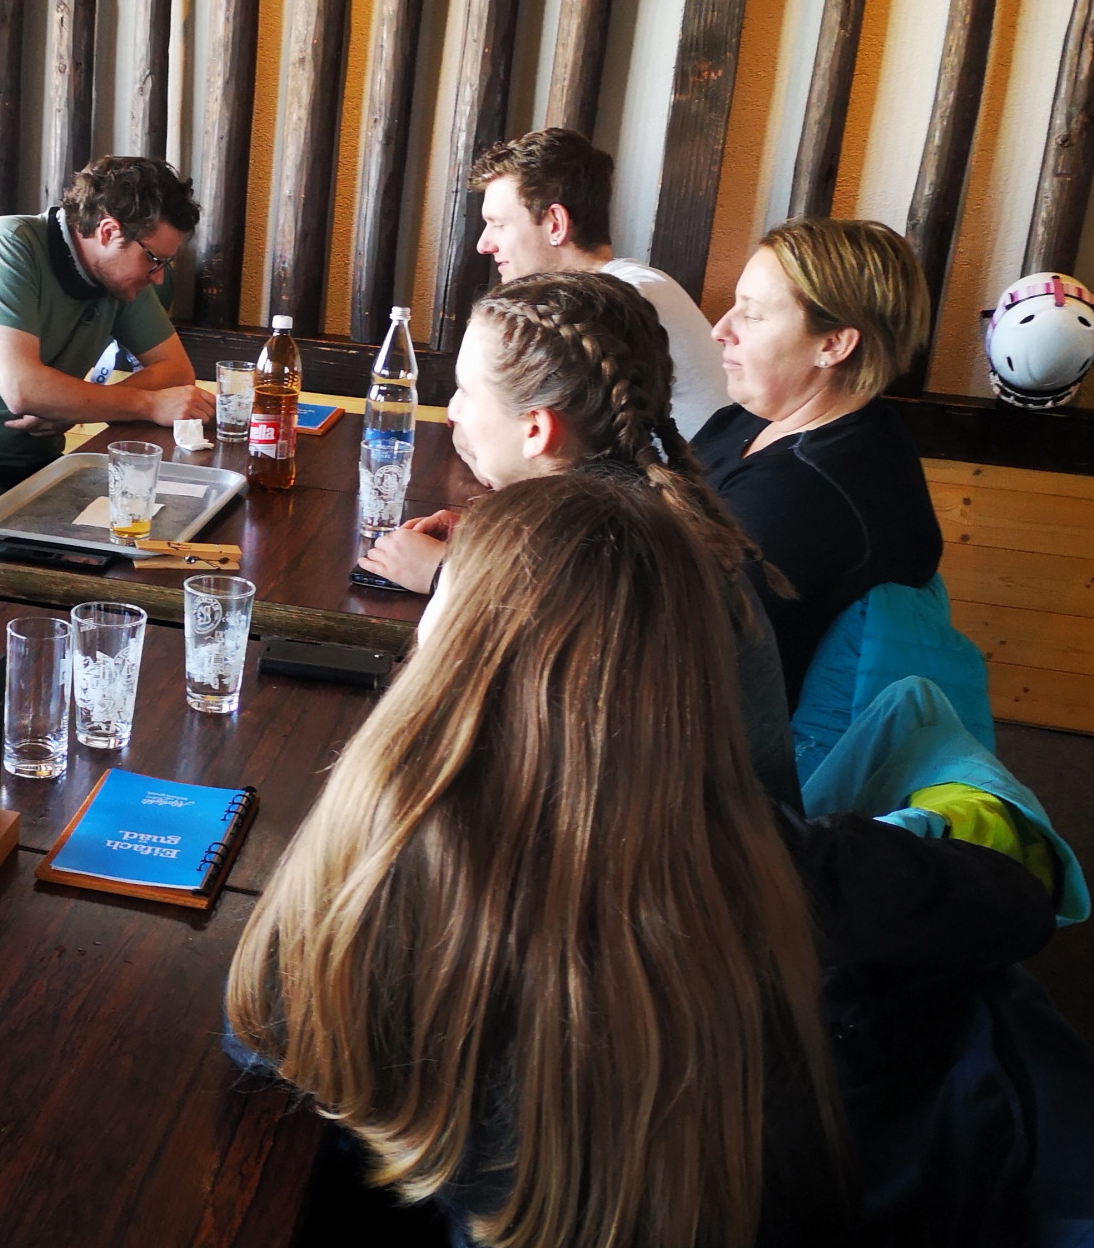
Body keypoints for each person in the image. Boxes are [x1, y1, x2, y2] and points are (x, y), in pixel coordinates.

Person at [227, 473, 1056, 1248]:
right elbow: (1017, 905)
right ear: (691, 676)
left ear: (453, 645)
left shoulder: (373, 841)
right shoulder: (776, 859)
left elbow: (256, 1027)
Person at [358, 271, 797, 803]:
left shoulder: (554, 564)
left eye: (467, 392)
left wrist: (469, 569)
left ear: (536, 429)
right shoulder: (670, 519)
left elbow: (421, 763)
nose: (452, 410)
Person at [697, 218, 939, 702]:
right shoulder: (750, 420)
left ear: (833, 345)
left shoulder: (807, 495)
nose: (721, 330)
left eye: (753, 315)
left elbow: (670, 637)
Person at [0, 156, 214, 496]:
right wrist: (148, 404)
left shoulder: (120, 277)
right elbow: (24, 390)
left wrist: (78, 405)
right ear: (109, 232)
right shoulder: (6, 244)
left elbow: (177, 371)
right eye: (154, 260)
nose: (158, 278)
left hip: (40, 467)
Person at [472, 128, 729, 436]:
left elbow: (542, 438)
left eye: (498, 225)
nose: (484, 245)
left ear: (556, 224)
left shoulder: (613, 304)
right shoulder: (634, 285)